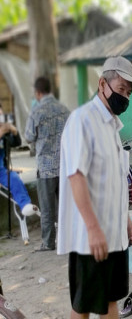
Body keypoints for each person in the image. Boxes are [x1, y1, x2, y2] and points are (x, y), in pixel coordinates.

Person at [57, 56, 132, 318]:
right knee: (83, 307)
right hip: (89, 238)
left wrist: (124, 218)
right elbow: (76, 176)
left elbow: (113, 181)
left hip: (113, 235)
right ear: (102, 83)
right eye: (121, 88)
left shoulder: (113, 128)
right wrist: (92, 228)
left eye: (128, 92)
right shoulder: (82, 121)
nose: (124, 96)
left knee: (111, 301)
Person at [24, 77, 70, 251]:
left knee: (47, 207)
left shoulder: (37, 112)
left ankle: (49, 242)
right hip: (64, 166)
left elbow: (28, 136)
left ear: (37, 93)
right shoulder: (64, 110)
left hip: (45, 168)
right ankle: (68, 240)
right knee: (65, 205)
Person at [0, 105, 39, 217]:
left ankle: (26, 205)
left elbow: (16, 143)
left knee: (14, 178)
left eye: (2, 116)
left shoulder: (4, 130)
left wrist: (14, 131)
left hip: (2, 170)